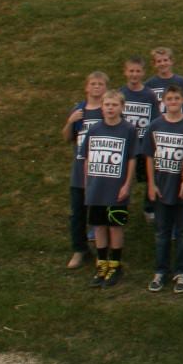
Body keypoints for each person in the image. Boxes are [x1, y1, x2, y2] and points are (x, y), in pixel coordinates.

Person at [80, 91, 141, 289]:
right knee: (98, 226)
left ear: (121, 107)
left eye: (114, 104)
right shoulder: (95, 129)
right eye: (107, 104)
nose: (110, 108)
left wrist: (126, 184)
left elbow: (132, 158)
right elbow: (87, 157)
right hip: (96, 188)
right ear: (102, 107)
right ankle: (101, 264)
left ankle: (115, 265)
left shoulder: (128, 130)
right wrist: (88, 182)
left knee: (115, 226)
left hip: (116, 189)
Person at [143, 84, 183, 294]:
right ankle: (160, 271)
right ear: (163, 102)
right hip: (161, 187)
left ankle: (182, 271)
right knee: (161, 233)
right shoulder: (155, 126)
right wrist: (151, 184)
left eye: (177, 98)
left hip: (182, 188)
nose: (173, 102)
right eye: (170, 99)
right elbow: (148, 156)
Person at [62, 70, 111, 270]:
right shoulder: (79, 111)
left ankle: (105, 250)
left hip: (103, 171)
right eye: (93, 83)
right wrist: (70, 122)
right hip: (80, 173)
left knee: (102, 213)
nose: (96, 87)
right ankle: (79, 249)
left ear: (106, 88)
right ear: (86, 87)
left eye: (100, 84)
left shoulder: (107, 110)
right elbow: (66, 138)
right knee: (78, 213)